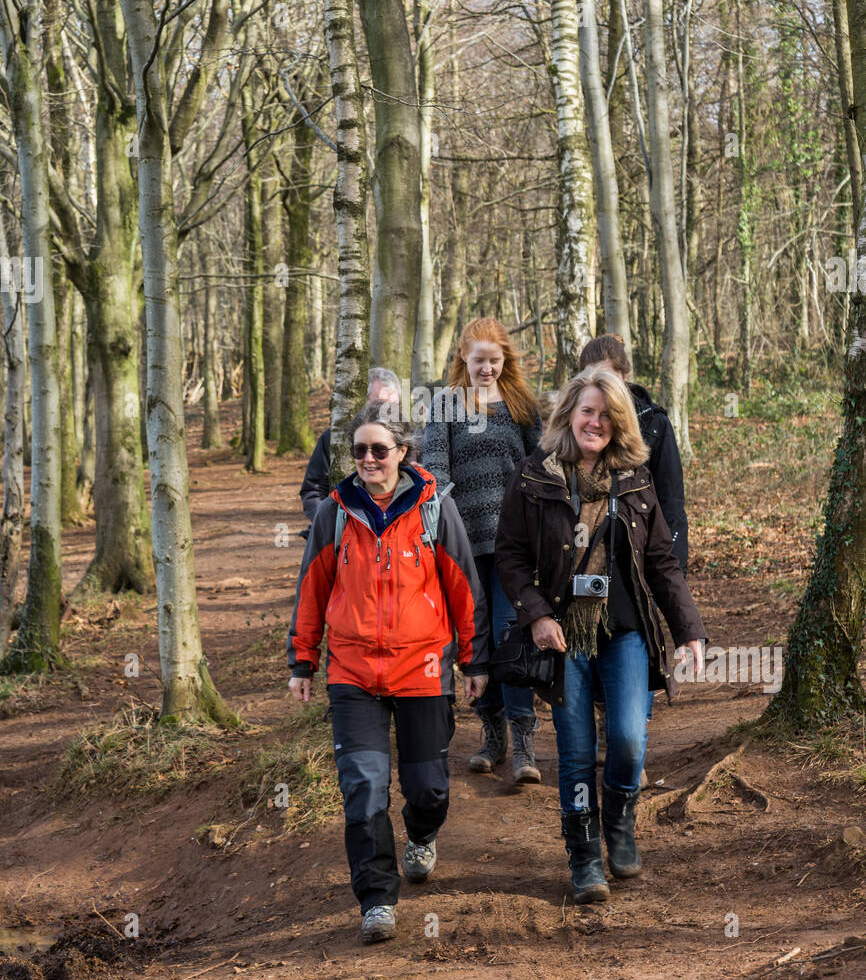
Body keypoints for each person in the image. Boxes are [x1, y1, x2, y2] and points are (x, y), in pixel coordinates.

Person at [495, 367, 705, 903]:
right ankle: (584, 854)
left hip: (625, 631)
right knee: (576, 751)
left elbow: (661, 561)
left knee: (630, 738)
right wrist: (537, 615)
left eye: (608, 414)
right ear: (568, 413)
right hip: (563, 637)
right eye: (588, 410)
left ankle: (619, 821)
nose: (597, 422)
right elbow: (511, 557)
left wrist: (689, 633)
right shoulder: (534, 476)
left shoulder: (635, 478)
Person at [287, 404, 490, 945]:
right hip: (352, 672)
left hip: (423, 668)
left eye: (380, 449)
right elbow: (312, 588)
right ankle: (376, 898)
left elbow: (463, 587)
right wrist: (302, 660)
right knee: (363, 789)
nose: (369, 459)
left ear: (403, 452)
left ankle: (422, 836)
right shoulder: (335, 512)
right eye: (360, 451)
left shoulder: (434, 510)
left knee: (428, 789)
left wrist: (473, 659)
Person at [422, 318, 543, 782]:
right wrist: (443, 528)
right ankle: (492, 737)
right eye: (479, 360)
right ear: (463, 360)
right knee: (477, 635)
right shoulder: (446, 405)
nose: (487, 368)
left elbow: (540, 465)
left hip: (515, 543)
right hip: (464, 544)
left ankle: (525, 743)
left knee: (512, 635)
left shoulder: (522, 405)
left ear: (505, 360)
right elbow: (434, 469)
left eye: (495, 360)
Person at [578, 335, 687, 574]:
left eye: (608, 378)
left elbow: (671, 502)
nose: (600, 386)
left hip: (640, 556)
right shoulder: (574, 426)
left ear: (624, 377)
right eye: (591, 378)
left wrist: (673, 570)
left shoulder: (654, 423)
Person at [299, 367, 402, 524]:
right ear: (364, 402)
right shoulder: (334, 439)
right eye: (379, 405)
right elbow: (313, 490)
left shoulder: (409, 441)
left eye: (392, 406)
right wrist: (328, 523)